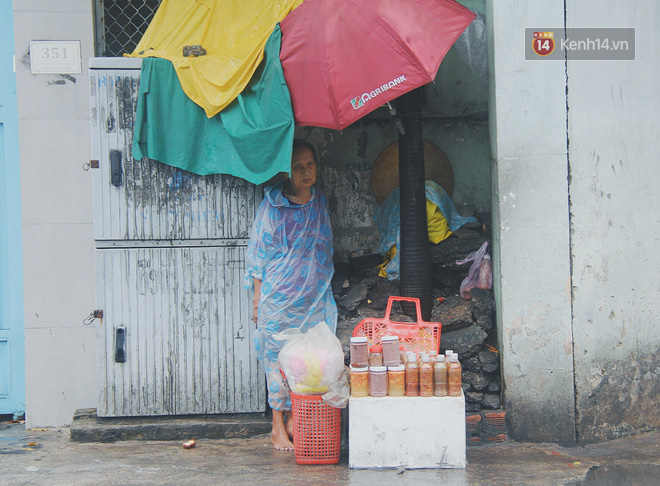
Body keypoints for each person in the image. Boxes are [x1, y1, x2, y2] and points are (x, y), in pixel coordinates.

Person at [245, 139, 338, 451]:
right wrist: (258, 301)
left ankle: (297, 419)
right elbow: (258, 256)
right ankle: (276, 427)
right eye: (299, 167)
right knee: (277, 362)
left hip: (314, 301)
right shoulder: (273, 208)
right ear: (288, 171)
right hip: (279, 301)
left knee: (310, 361)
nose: (306, 171)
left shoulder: (319, 203)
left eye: (310, 165)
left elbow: (324, 250)